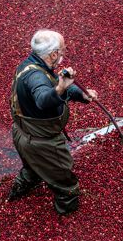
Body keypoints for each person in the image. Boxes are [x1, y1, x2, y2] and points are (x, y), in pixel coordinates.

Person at [7, 29, 96, 214]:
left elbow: (56, 84)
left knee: (32, 167)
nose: (64, 53)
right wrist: (60, 89)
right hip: (44, 144)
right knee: (66, 182)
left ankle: (19, 188)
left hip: (23, 136)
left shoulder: (31, 65)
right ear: (53, 53)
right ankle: (67, 212)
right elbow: (43, 99)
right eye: (62, 50)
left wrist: (81, 95)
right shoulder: (36, 77)